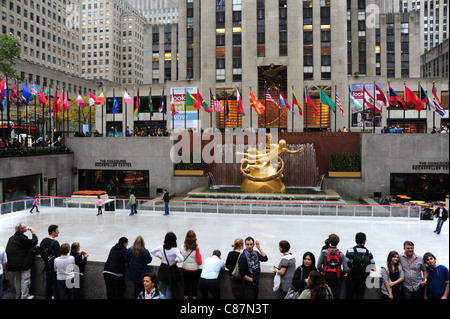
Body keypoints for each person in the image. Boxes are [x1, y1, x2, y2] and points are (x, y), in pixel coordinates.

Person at [5, 222, 38, 299]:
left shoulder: (12, 238)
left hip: (14, 264)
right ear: (21, 229)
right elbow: (34, 242)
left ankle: (18, 295)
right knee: (25, 279)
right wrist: (33, 233)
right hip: (23, 264)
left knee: (17, 279)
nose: (26, 227)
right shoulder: (22, 238)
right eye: (24, 227)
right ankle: (24, 296)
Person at [151, 231, 184, 299]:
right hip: (171, 270)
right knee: (169, 288)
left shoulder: (161, 247)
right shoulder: (175, 250)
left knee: (164, 287)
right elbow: (182, 259)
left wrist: (160, 257)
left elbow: (152, 251)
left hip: (163, 269)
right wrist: (175, 262)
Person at [344, 232, 376, 299]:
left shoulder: (350, 251)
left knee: (349, 296)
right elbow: (373, 266)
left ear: (356, 240)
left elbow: (345, 264)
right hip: (363, 278)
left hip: (351, 277)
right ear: (364, 241)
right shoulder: (368, 252)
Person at [316, 233, 348, 299]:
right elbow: (345, 269)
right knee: (336, 296)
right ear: (338, 242)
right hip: (337, 279)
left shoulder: (324, 252)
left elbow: (318, 266)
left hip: (326, 278)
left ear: (329, 242)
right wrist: (339, 273)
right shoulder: (341, 254)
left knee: (326, 296)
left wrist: (325, 270)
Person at [39, 224, 60, 299]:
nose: (59, 232)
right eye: (57, 230)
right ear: (53, 232)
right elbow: (58, 258)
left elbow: (42, 254)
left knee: (48, 286)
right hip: (55, 269)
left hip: (47, 267)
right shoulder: (55, 243)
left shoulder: (43, 241)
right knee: (56, 286)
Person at [180, 230, 202, 299]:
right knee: (194, 288)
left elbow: (180, 258)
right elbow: (199, 262)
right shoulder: (196, 249)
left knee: (186, 288)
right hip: (195, 271)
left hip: (185, 270)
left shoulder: (182, 247)